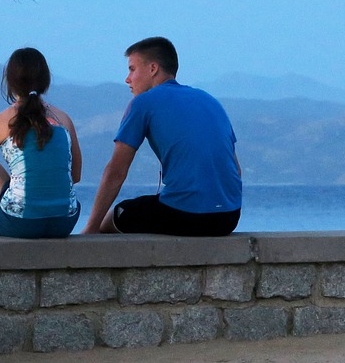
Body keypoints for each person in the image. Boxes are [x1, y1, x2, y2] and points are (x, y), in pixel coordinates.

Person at [82, 36, 241, 236]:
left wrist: (89, 229)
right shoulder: (210, 101)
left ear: (153, 69)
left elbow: (116, 171)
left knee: (113, 217)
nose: (127, 79)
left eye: (132, 69)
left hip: (185, 216)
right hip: (229, 217)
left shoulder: (142, 103)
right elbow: (236, 170)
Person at [0, 47, 82, 237]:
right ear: (46, 82)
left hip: (20, 223)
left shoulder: (0, 122)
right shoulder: (64, 120)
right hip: (65, 222)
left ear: (10, 84)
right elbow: (75, 176)